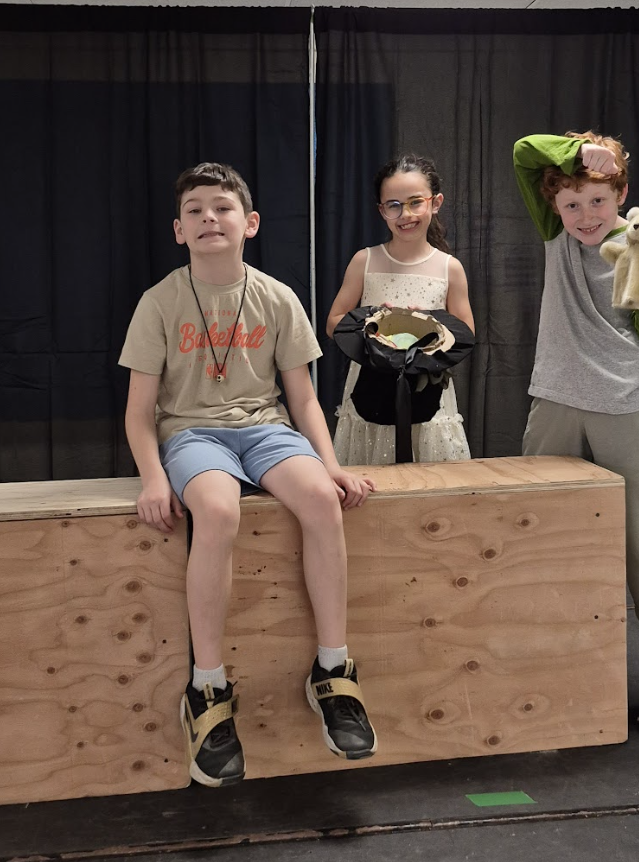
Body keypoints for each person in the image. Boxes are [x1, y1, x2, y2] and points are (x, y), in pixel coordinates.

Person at [119, 163, 377, 788]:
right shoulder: (159, 301)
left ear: (250, 223)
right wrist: (154, 478)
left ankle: (333, 673)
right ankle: (207, 688)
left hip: (265, 428)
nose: (210, 217)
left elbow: (305, 400)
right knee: (217, 510)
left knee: (319, 499)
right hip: (192, 431)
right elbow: (138, 413)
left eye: (223, 207)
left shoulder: (277, 296)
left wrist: (332, 465)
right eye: (196, 211)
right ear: (178, 230)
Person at [513, 132, 639, 731]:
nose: (584, 216)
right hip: (558, 394)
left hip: (626, 395)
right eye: (571, 204)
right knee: (534, 525)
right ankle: (531, 652)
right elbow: (523, 151)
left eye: (597, 201)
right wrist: (578, 153)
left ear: (621, 194)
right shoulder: (553, 229)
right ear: (555, 205)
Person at [326, 154, 475, 465]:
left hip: (428, 389)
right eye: (393, 205)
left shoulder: (450, 268)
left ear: (435, 203)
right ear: (382, 211)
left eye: (415, 202)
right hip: (370, 385)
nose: (405, 214)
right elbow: (334, 322)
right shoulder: (364, 260)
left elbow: (466, 332)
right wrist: (374, 326)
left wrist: (429, 330)